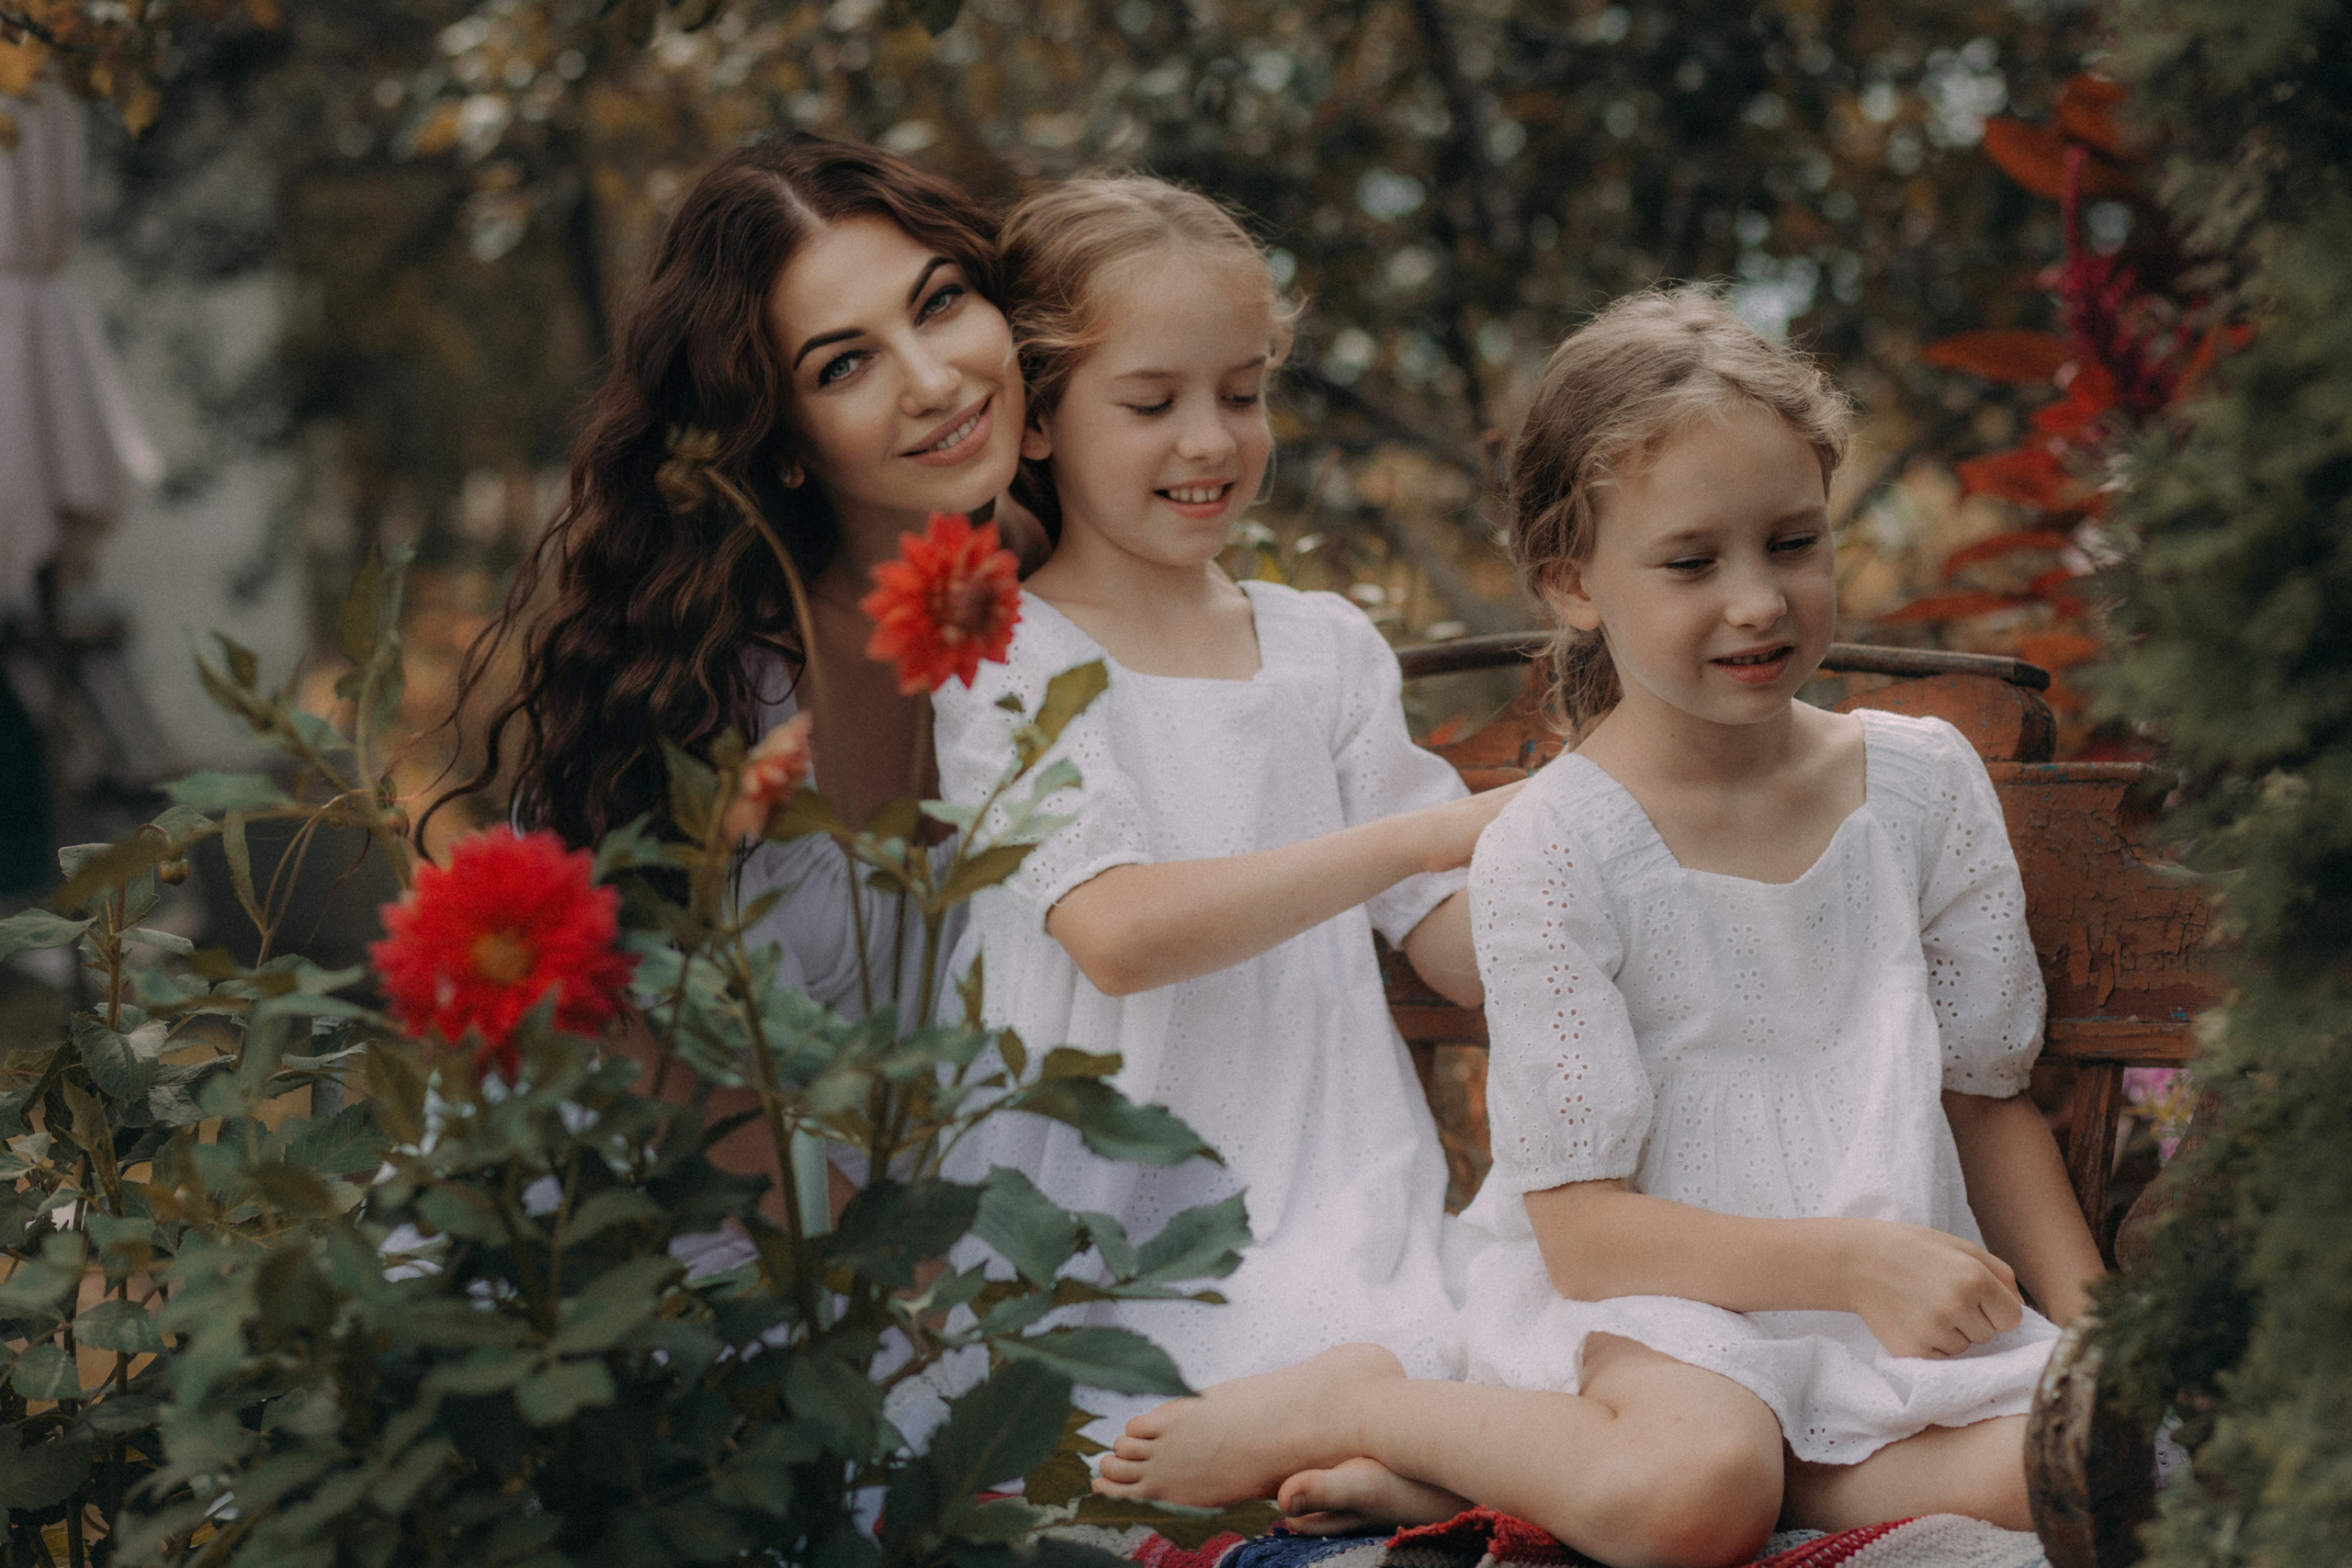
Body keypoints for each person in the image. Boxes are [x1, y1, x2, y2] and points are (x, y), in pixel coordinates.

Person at [1090, 288, 2107, 1568]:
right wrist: (1850, 1261)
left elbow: (1984, 1101)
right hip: (1648, 1311)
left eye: (1793, 542)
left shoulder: (1921, 783)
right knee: (1697, 1485)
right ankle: (1366, 1404)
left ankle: (1587, 1480)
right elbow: (1583, 1234)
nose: (1758, 601)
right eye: (1691, 563)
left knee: (2088, 1462)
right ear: (1574, 582)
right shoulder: (1558, 843)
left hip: (1883, 1306)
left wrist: (2101, 1340)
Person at [931, 175, 1520, 1436]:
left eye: (1243, 394)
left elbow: (1449, 938)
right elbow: (1119, 932)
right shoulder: (1006, 651)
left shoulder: (1323, 648)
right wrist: (1421, 833)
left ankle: (1346, 1429)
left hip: (1342, 1191)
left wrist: (1602, 840)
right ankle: (1320, 1429)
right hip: (1101, 1226)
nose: (1211, 441)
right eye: (1152, 403)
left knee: (1469, 1355)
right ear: (1036, 420)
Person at [439, 132, 1035, 1224]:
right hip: (650, 1232)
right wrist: (907, 1278)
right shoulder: (699, 683)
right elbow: (665, 1083)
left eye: (940, 302)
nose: (933, 381)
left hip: (949, 1236)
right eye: (842, 365)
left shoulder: (1083, 591)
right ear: (783, 439)